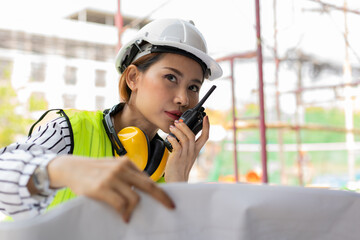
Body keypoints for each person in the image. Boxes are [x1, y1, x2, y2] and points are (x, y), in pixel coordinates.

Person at [0, 18, 223, 223]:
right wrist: (61, 170)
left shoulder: (169, 164)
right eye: (170, 77)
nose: (183, 99)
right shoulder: (71, 129)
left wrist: (178, 185)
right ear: (133, 78)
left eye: (193, 87)